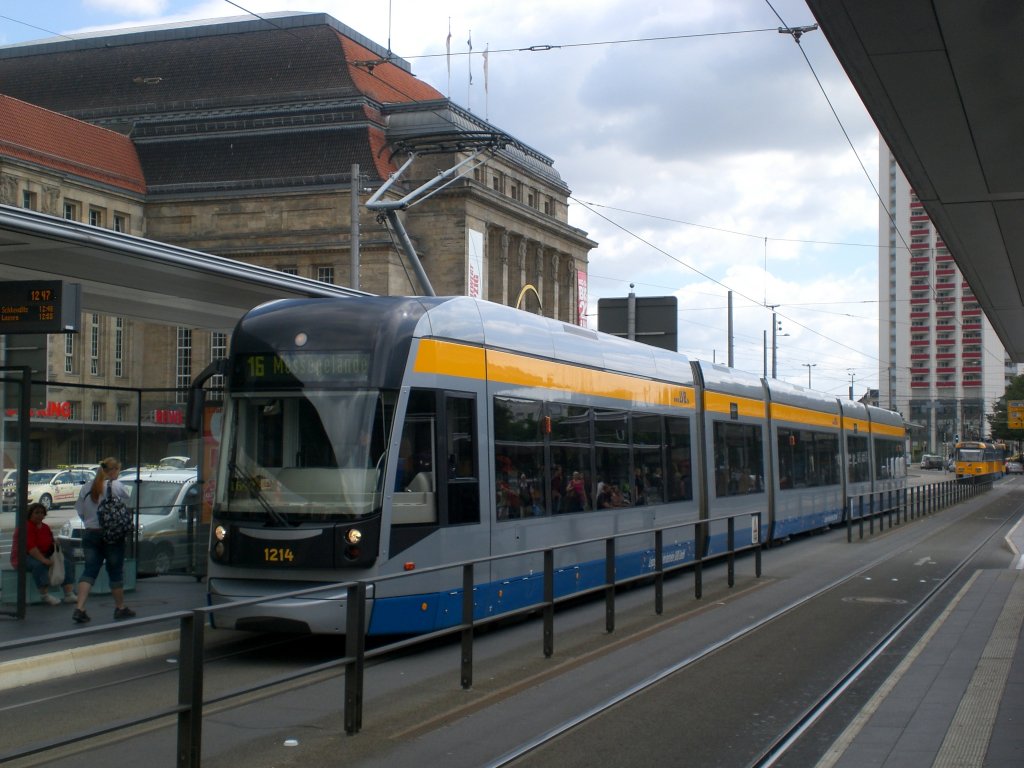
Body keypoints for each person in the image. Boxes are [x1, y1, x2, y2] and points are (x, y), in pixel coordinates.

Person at [73, 457, 135, 623]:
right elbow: (127, 497)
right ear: (113, 471)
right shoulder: (115, 485)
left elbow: (80, 511)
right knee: (115, 571)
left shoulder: (86, 487)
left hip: (91, 534)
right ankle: (120, 607)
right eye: (118, 471)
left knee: (90, 570)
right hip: (112, 536)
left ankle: (79, 608)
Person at [10, 502, 76, 605]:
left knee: (66, 562)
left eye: (42, 512)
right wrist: (44, 560)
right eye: (36, 513)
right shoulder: (26, 527)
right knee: (39, 565)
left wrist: (56, 544)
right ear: (30, 514)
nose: (40, 515)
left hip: (43, 554)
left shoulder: (45, 527)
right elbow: (31, 548)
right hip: (23, 556)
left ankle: (69, 594)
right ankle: (44, 595)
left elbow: (50, 543)